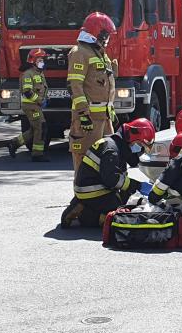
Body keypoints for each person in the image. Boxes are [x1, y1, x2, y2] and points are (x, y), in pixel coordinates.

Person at [60, 118, 155, 229]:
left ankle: (83, 204)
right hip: (92, 191)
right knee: (118, 214)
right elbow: (112, 180)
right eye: (139, 144)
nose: (139, 149)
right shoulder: (112, 150)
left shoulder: (115, 144)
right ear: (131, 137)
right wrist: (138, 186)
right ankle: (86, 213)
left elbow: (124, 170)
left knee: (126, 197)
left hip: (89, 187)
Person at [66, 12, 119, 173]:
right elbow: (74, 85)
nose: (108, 38)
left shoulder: (100, 53)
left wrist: (111, 111)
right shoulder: (80, 52)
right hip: (88, 119)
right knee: (85, 159)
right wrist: (83, 114)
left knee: (107, 159)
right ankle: (81, 190)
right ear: (98, 33)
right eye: (106, 34)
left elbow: (104, 84)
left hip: (104, 118)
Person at [7, 48, 50, 162]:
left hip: (35, 105)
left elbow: (41, 89)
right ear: (33, 61)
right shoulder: (28, 74)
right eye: (40, 60)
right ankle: (37, 154)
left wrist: (45, 98)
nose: (42, 62)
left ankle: (14, 143)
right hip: (30, 106)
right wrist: (40, 100)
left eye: (43, 60)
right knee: (41, 127)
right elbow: (27, 92)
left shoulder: (39, 73)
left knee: (35, 128)